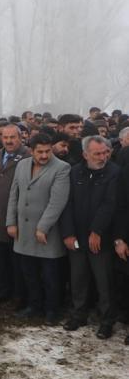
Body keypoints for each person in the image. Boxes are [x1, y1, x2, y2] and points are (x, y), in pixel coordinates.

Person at [6, 133, 71, 325]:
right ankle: (34, 305)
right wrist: (11, 222)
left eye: (47, 151)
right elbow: (14, 194)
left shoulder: (61, 168)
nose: (44, 155)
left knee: (50, 275)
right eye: (40, 152)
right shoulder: (22, 165)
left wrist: (43, 227)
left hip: (47, 233)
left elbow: (57, 202)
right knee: (29, 273)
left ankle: (52, 310)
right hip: (23, 231)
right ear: (31, 151)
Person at [60, 135, 119, 339]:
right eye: (97, 154)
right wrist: (67, 233)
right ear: (85, 154)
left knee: (104, 282)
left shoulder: (114, 172)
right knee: (78, 278)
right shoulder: (75, 171)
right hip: (77, 235)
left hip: (100, 238)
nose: (102, 157)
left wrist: (97, 231)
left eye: (105, 153)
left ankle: (107, 321)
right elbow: (66, 204)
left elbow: (110, 205)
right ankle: (78, 315)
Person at [0, 123, 30, 307]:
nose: (9, 141)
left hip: (17, 216)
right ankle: (2, 290)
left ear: (20, 138)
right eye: (5, 137)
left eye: (13, 137)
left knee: (17, 260)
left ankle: (19, 294)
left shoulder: (27, 156)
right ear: (0, 138)